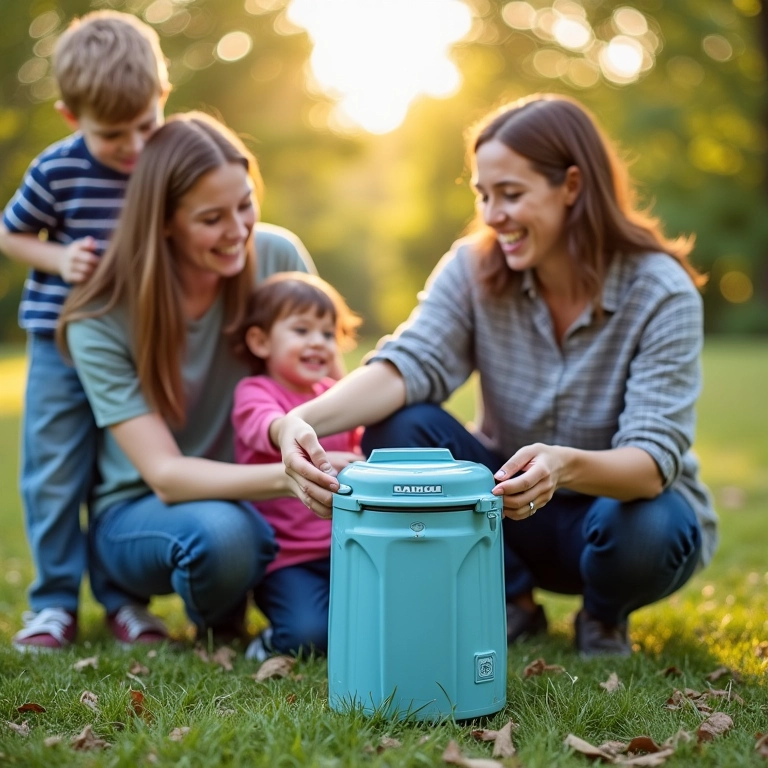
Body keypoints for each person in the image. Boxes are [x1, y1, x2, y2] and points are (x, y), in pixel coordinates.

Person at [270, 94, 718, 658]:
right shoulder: (471, 266)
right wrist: (297, 422)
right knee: (402, 426)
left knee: (654, 524)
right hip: (504, 511)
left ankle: (602, 617)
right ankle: (510, 600)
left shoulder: (661, 290)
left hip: (613, 516)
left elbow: (652, 464)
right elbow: (408, 363)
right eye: (483, 195)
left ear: (572, 186)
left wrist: (563, 464)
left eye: (511, 194)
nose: (492, 214)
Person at [57, 112, 324, 643]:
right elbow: (166, 474)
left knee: (248, 540)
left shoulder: (279, 255)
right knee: (225, 537)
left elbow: (324, 383)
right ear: (163, 221)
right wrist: (291, 477)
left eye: (245, 204)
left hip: (259, 498)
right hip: (145, 512)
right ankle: (207, 613)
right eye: (211, 219)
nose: (238, 230)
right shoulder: (101, 314)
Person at [0, 11, 170, 651]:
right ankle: (52, 603)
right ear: (72, 117)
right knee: (54, 474)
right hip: (60, 347)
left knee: (124, 475)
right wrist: (59, 257)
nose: (133, 145)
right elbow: (11, 234)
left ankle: (125, 601)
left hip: (134, 348)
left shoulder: (165, 164)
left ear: (163, 96)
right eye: (112, 134)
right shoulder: (57, 169)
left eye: (146, 124)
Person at [230, 272, 362, 659]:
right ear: (260, 341)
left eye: (327, 334)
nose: (318, 342)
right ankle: (274, 639)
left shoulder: (335, 398)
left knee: (375, 617)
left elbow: (357, 448)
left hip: (346, 549)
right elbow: (262, 425)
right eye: (302, 330)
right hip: (289, 559)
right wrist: (295, 438)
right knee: (308, 636)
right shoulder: (256, 392)